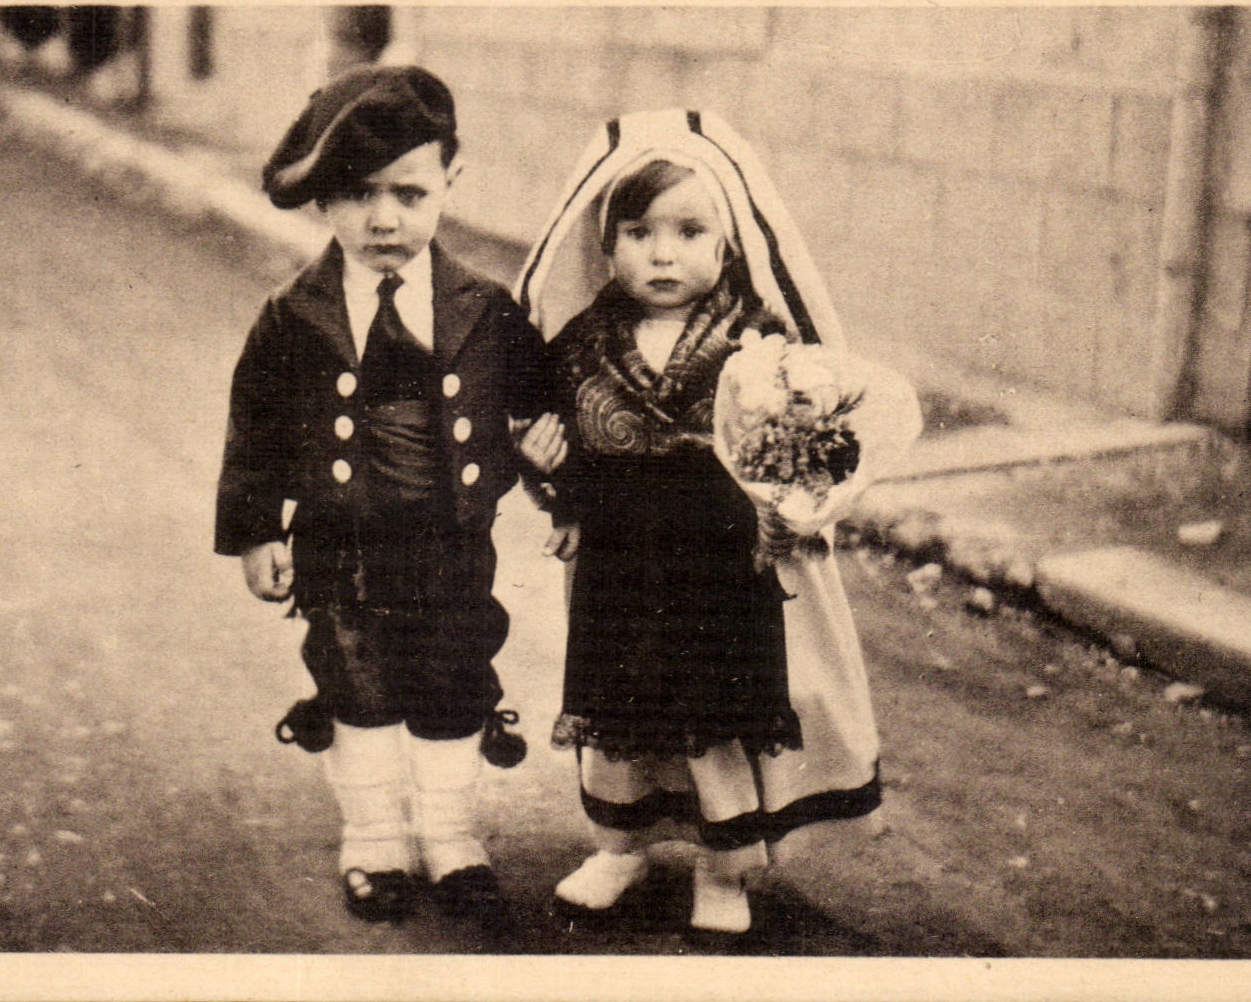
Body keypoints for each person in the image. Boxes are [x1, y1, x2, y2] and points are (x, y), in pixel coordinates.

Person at [515, 109, 921, 934]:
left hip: (716, 564)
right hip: (620, 562)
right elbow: (556, 437)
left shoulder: (761, 347)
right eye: (637, 231)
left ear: (728, 244)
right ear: (607, 243)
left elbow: (801, 443)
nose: (662, 252)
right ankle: (619, 845)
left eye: (689, 230)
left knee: (713, 714)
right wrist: (550, 469)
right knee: (620, 711)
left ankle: (723, 866)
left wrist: (792, 502)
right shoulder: (582, 345)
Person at [215, 64, 559, 926]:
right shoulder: (294, 316)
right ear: (324, 201)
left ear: (452, 181)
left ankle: (449, 838)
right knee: (356, 683)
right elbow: (254, 427)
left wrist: (554, 467)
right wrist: (258, 530)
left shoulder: (485, 308)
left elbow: (541, 401)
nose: (383, 218)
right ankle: (373, 838)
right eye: (357, 193)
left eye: (409, 192)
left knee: (451, 680)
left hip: (449, 543)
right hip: (342, 544)